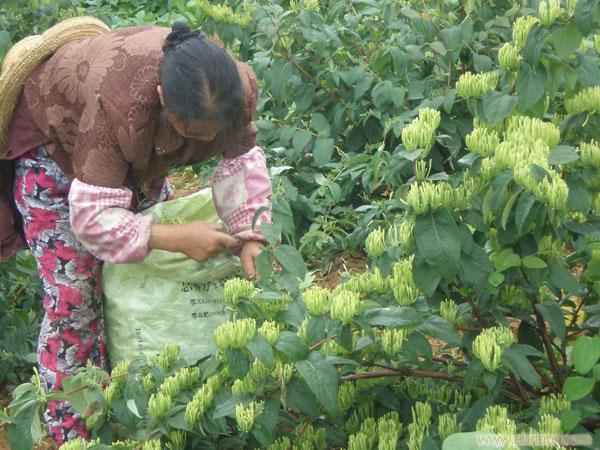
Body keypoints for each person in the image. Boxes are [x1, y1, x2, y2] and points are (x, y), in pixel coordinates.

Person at [0, 21, 272, 445]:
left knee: (130, 277)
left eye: (210, 134)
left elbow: (241, 161)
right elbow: (92, 220)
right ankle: (74, 432)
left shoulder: (232, 91)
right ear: (163, 99)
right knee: (74, 295)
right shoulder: (120, 106)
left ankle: (137, 404)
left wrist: (251, 233)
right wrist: (176, 237)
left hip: (132, 158)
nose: (204, 141)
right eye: (190, 134)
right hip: (56, 154)